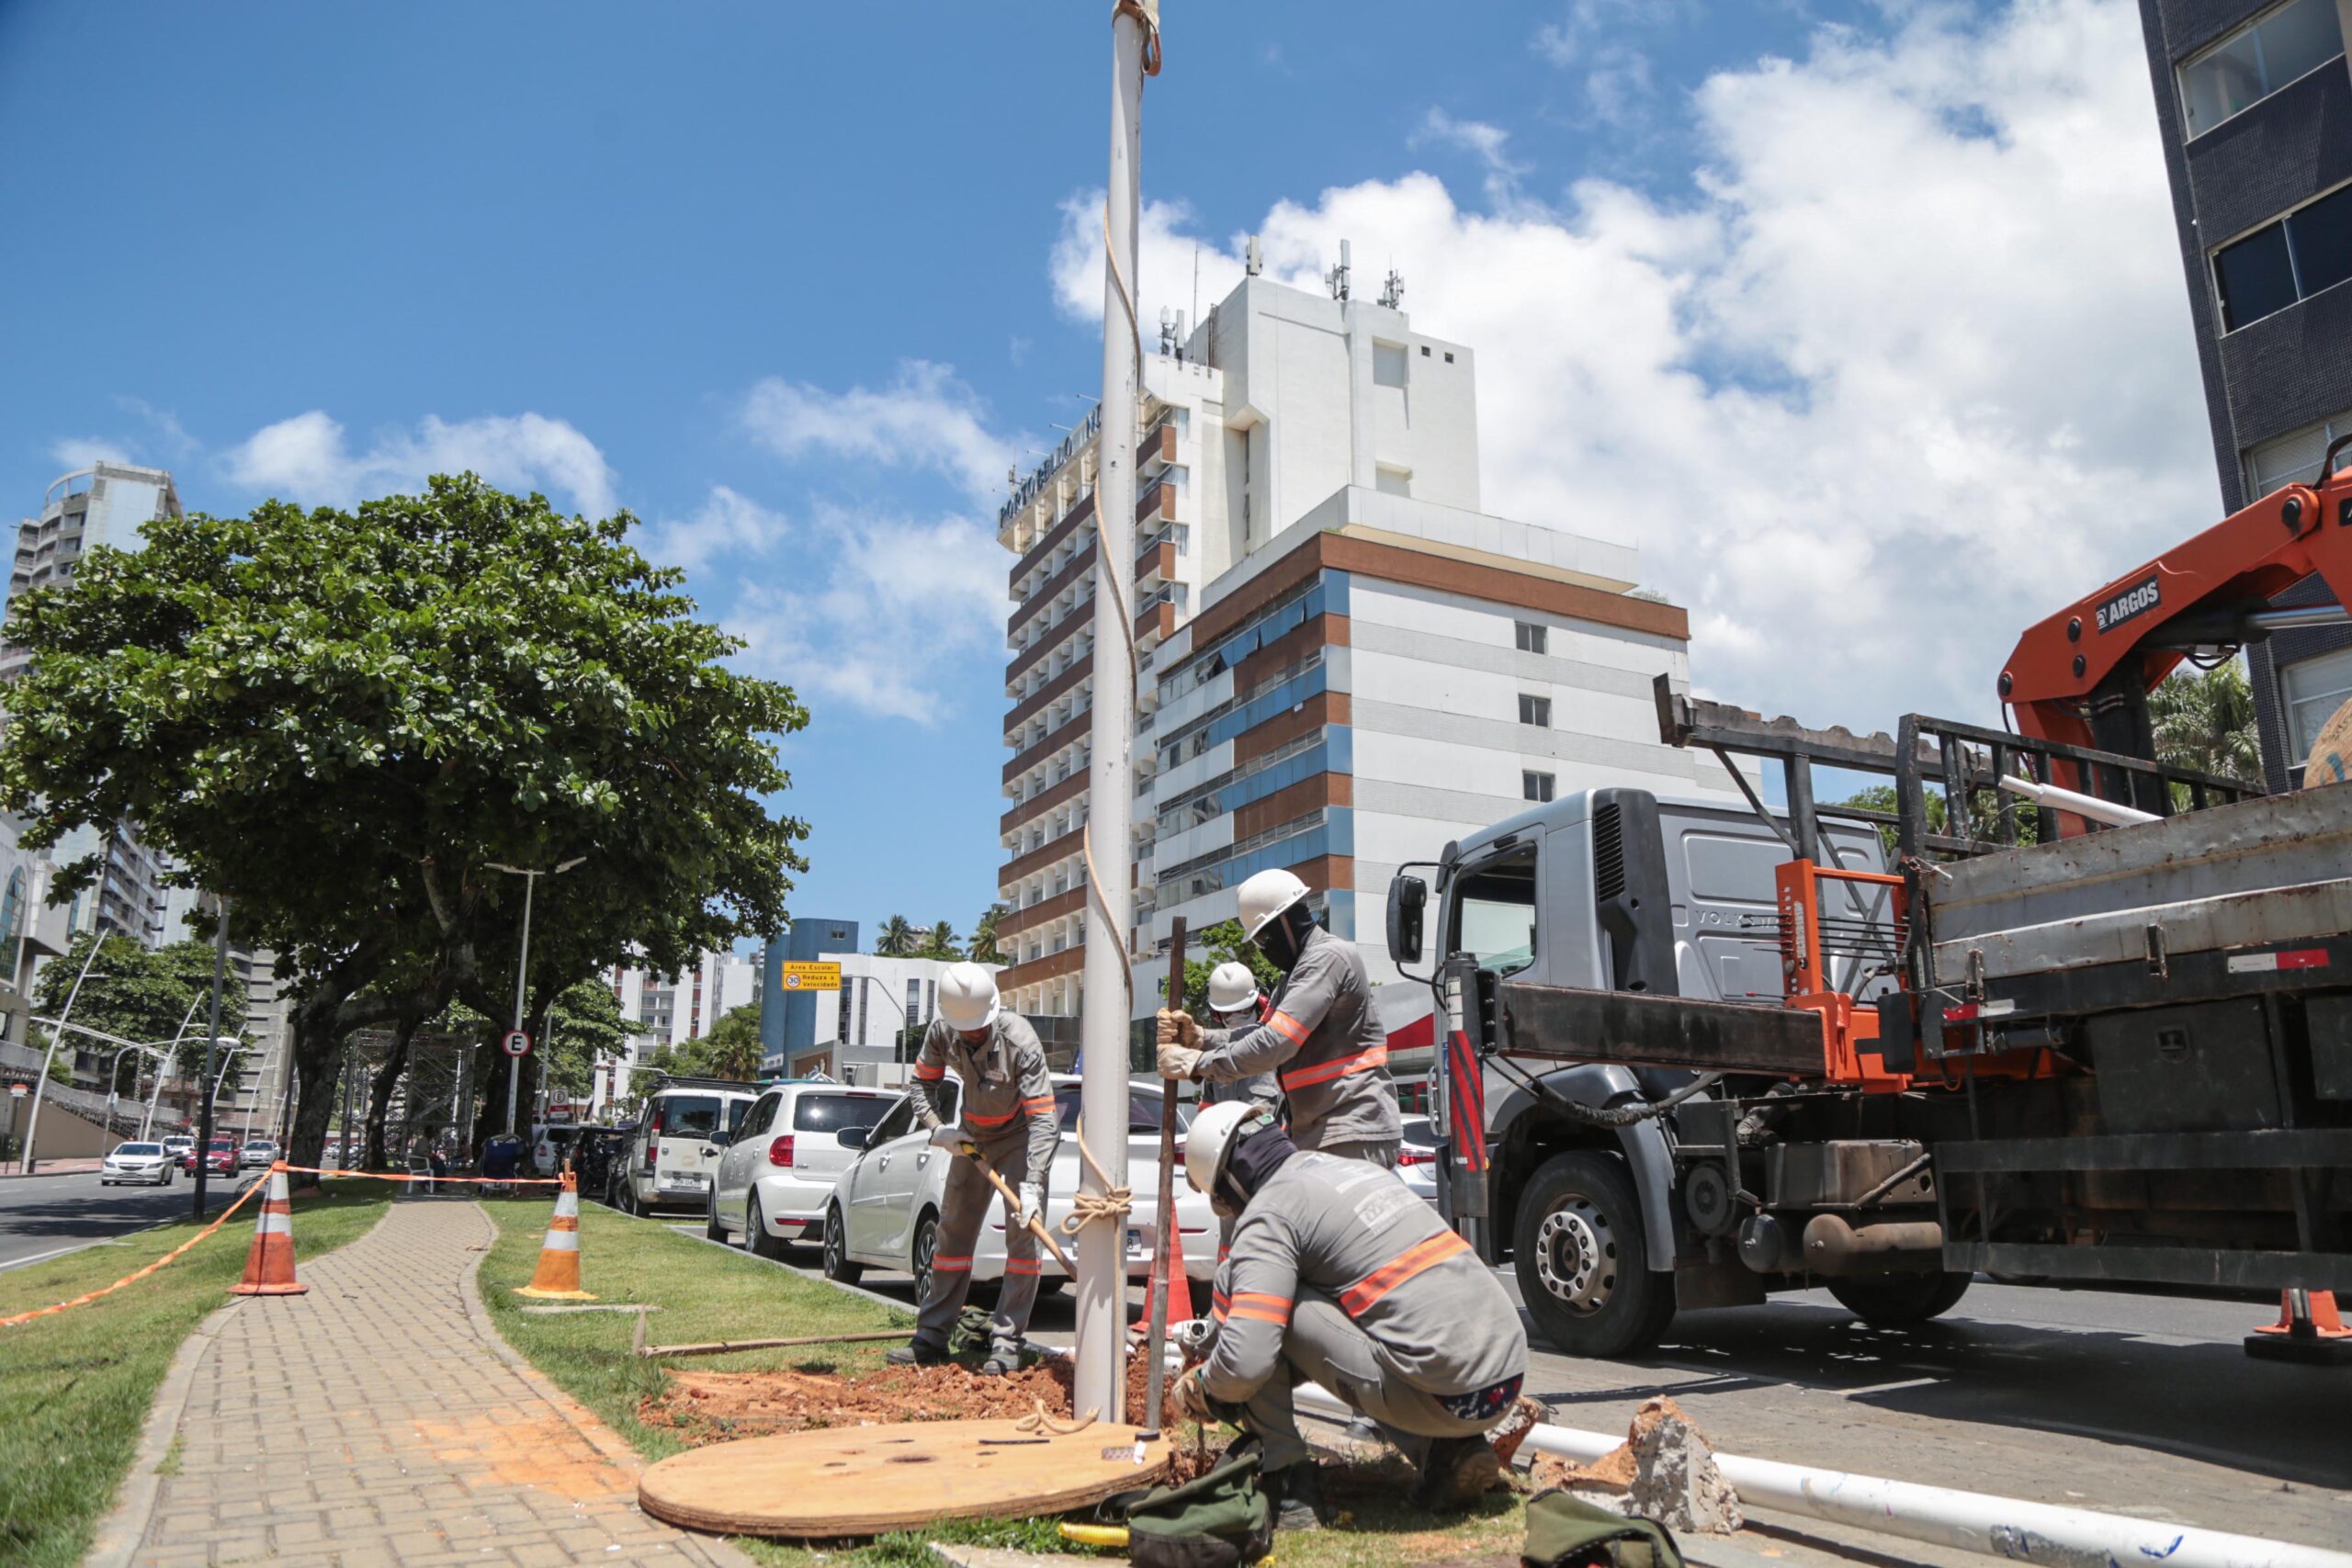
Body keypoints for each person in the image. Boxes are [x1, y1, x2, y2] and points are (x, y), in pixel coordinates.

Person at [1167, 1100, 1528, 1529]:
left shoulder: (1269, 1215)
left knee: (1254, 1301)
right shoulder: (1348, 1170)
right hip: (1504, 1377)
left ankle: (1288, 1484)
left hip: (1442, 1391)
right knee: (1383, 1325)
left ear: (1228, 1187)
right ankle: (1450, 1454)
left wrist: (1208, 1387)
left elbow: (1248, 1360)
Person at [1158, 868, 1400, 1166]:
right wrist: (1201, 1039)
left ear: (1286, 921)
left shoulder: (1327, 958)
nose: (1263, 950)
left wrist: (1197, 1064)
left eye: (1263, 939)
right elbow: (1260, 1032)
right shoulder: (1295, 975)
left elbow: (1275, 1042)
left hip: (1353, 1129)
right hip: (1322, 1132)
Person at [887, 962, 1059, 1376]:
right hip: (970, 1141)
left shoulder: (1021, 1042)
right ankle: (930, 1337)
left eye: (978, 1028)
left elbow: (1043, 1119)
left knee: (1023, 1246)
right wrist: (939, 1130)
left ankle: (1006, 1344)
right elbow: (920, 1086)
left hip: (1018, 1140)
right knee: (951, 1239)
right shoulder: (941, 1032)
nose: (971, 1035)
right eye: (964, 1028)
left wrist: (1033, 1184)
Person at [1201, 960, 1280, 1107]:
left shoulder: (1277, 1049)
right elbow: (1207, 1112)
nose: (1236, 1018)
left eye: (1244, 1011)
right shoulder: (1215, 1060)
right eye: (1227, 1013)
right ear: (1216, 1015)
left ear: (1259, 1004)